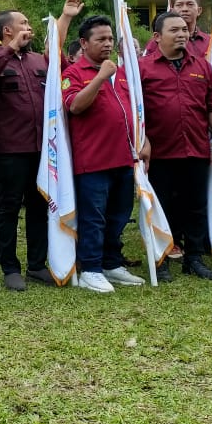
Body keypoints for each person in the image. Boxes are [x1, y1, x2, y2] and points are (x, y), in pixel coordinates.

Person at [0, 0, 84, 289]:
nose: (28, 27)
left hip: (42, 148)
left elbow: (58, 55)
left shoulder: (39, 61)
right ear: (7, 31)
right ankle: (10, 267)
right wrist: (9, 51)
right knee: (8, 208)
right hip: (10, 150)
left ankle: (37, 265)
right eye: (22, 23)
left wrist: (65, 16)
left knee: (39, 206)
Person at [62, 15, 149, 293]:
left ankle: (112, 263)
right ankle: (90, 268)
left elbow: (134, 112)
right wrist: (100, 77)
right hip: (93, 161)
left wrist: (143, 140)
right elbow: (75, 106)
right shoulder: (74, 74)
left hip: (124, 157)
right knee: (93, 217)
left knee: (119, 215)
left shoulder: (122, 73)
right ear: (84, 43)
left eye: (110, 38)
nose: (107, 44)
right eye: (100, 39)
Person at [140, 13, 212, 282]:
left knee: (196, 207)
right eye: (174, 30)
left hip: (195, 149)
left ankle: (194, 258)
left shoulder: (202, 67)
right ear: (157, 37)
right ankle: (162, 257)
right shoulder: (142, 69)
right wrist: (142, 141)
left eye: (184, 29)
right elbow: (135, 111)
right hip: (159, 153)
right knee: (161, 207)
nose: (182, 34)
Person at [143, 0, 209, 58]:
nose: (184, 9)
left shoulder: (210, 42)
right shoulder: (159, 40)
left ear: (199, 11)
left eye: (190, 4)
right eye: (179, 5)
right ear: (172, 11)